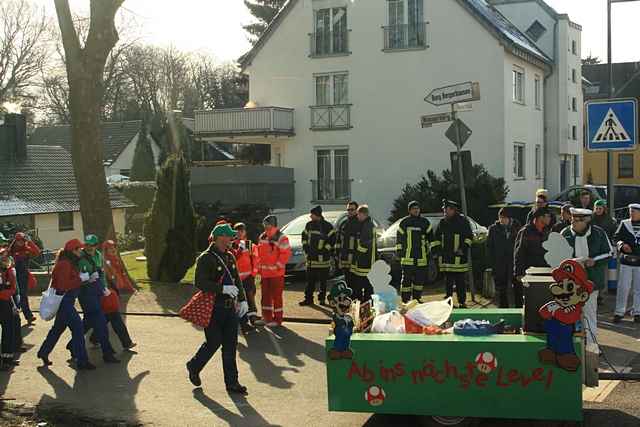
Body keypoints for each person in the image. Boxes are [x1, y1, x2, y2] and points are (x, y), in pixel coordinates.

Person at [186, 223, 249, 394]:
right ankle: (194, 365)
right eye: (229, 236)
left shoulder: (229, 256)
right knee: (213, 342)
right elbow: (200, 282)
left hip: (230, 309)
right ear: (220, 238)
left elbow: (237, 281)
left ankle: (232, 383)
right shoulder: (206, 258)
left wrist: (243, 301)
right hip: (213, 308)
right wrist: (222, 289)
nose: (231, 238)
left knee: (230, 346)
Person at [560, 208, 612, 354]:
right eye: (572, 219)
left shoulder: (599, 233)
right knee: (570, 315)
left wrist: (593, 261)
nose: (573, 223)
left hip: (591, 281)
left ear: (586, 221)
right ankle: (571, 347)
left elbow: (609, 253)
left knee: (589, 314)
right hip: (570, 283)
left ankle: (592, 346)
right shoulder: (565, 233)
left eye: (577, 220)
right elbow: (558, 257)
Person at [37, 239, 95, 370]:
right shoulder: (65, 264)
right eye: (79, 249)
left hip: (65, 301)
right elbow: (64, 286)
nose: (82, 251)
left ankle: (43, 352)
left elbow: (69, 281)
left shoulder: (68, 262)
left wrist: (84, 279)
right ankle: (82, 361)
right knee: (78, 328)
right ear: (73, 250)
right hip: (65, 302)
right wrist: (81, 278)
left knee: (57, 330)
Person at [73, 235, 119, 364]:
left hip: (97, 292)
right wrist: (86, 279)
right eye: (86, 244)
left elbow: (101, 272)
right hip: (86, 294)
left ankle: (72, 345)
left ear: (96, 246)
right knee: (101, 323)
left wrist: (104, 288)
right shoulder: (79, 258)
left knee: (88, 322)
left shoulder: (98, 255)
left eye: (91, 245)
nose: (88, 247)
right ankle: (107, 353)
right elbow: (76, 278)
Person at [432, 200, 473, 308]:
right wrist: (437, 251)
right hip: (446, 259)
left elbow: (469, 237)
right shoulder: (442, 222)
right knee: (448, 282)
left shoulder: (463, 221)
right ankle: (448, 300)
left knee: (460, 282)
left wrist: (462, 249)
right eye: (444, 210)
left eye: (447, 210)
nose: (445, 212)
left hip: (459, 258)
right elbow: (436, 238)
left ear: (453, 210)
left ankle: (462, 301)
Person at [514, 207, 553, 308]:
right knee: (530, 302)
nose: (550, 219)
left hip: (544, 273)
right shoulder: (526, 231)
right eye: (548, 216)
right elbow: (519, 252)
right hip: (529, 273)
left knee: (543, 300)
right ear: (540, 218)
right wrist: (518, 272)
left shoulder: (547, 231)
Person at [257, 215, 291, 327]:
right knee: (265, 297)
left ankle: (277, 320)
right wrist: (259, 268)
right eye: (264, 224)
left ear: (272, 224)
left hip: (276, 273)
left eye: (267, 224)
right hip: (265, 273)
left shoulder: (282, 238)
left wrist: (278, 266)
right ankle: (266, 318)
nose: (265, 226)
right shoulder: (262, 236)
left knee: (276, 297)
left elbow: (285, 254)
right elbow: (259, 254)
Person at [396, 201, 433, 303]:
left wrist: (433, 252)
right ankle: (405, 300)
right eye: (413, 208)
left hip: (422, 257)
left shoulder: (425, 222)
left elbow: (431, 238)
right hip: (407, 258)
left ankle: (417, 299)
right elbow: (399, 238)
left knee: (419, 281)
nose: (416, 210)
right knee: (406, 281)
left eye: (417, 208)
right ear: (409, 210)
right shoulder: (404, 223)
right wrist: (399, 251)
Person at [300, 206, 336, 306]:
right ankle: (308, 299)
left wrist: (324, 250)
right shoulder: (309, 225)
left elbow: (333, 240)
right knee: (309, 281)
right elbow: (304, 237)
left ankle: (322, 299)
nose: (310, 216)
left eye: (312, 214)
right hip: (311, 259)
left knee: (323, 282)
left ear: (317, 215)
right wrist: (306, 248)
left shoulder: (327, 226)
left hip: (323, 260)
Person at [231, 223, 263, 333]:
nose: (239, 233)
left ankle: (252, 317)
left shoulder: (250, 245)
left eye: (241, 231)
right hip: (235, 278)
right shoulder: (231, 245)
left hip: (248, 276)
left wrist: (253, 274)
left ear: (245, 232)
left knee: (250, 297)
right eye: (237, 231)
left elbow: (256, 260)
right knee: (238, 300)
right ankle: (241, 320)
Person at [613, 204, 640, 323]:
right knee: (623, 287)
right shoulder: (624, 223)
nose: (631, 213)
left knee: (638, 288)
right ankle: (619, 312)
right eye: (630, 211)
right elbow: (616, 237)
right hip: (626, 260)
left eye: (634, 211)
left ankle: (638, 312)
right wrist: (622, 245)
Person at [487, 209, 519, 308]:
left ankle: (519, 308)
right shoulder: (493, 229)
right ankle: (503, 308)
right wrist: (492, 263)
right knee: (502, 289)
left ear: (509, 218)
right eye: (500, 217)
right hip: (499, 263)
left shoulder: (516, 228)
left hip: (514, 262)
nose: (502, 220)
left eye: (504, 218)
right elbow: (489, 247)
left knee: (517, 287)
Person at [8, 232, 40, 324]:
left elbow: (37, 252)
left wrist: (30, 242)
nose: (20, 242)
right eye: (18, 240)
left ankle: (28, 316)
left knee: (23, 295)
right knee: (16, 296)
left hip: (24, 276)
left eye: (22, 240)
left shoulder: (27, 248)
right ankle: (16, 315)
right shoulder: (11, 250)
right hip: (13, 276)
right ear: (15, 241)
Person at [350, 205, 376, 303]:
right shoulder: (366, 224)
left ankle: (365, 305)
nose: (357, 217)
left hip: (365, 260)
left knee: (365, 285)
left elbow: (365, 244)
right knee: (364, 284)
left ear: (363, 214)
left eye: (358, 215)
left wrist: (357, 253)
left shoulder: (367, 225)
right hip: (364, 260)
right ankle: (364, 304)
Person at [335, 201, 360, 288]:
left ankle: (357, 298)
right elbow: (338, 240)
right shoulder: (344, 223)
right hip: (344, 257)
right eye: (348, 210)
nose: (349, 211)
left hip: (355, 258)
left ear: (357, 210)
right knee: (347, 279)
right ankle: (350, 298)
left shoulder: (360, 223)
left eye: (352, 209)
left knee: (356, 281)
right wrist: (337, 254)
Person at [0, 249, 17, 371]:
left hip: (5, 303)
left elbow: (13, 287)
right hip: (4, 302)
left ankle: (7, 359)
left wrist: (6, 294)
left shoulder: (9, 270)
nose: (4, 258)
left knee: (8, 331)